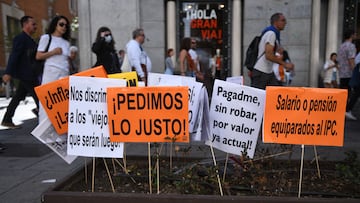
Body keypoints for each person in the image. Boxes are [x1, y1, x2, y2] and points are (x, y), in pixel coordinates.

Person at [1, 16, 40, 129]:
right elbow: (14, 56)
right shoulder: (20, 38)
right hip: (26, 75)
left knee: (18, 96)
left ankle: (7, 119)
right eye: (33, 24)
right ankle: (43, 117)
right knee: (39, 98)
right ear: (25, 24)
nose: (35, 27)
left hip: (28, 74)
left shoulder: (30, 40)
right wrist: (8, 72)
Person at [36, 15, 71, 123]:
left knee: (63, 104)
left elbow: (67, 60)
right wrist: (53, 52)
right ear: (55, 25)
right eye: (61, 24)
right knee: (48, 102)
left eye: (66, 25)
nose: (64, 27)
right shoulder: (46, 38)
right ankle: (46, 133)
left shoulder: (66, 43)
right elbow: (38, 56)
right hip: (50, 74)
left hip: (64, 75)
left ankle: (61, 134)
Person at [251, 12, 294, 90]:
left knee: (275, 94)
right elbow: (269, 55)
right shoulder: (271, 34)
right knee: (259, 98)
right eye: (283, 20)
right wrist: (284, 64)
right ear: (276, 22)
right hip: (262, 72)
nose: (285, 23)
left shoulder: (273, 34)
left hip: (267, 71)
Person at [337, 29, 356, 96]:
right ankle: (348, 106)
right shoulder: (351, 46)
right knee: (351, 93)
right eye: (354, 34)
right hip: (349, 73)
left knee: (344, 93)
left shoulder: (341, 46)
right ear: (351, 35)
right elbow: (351, 60)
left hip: (342, 73)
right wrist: (355, 71)